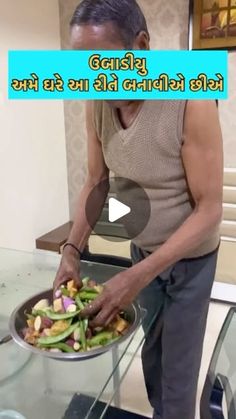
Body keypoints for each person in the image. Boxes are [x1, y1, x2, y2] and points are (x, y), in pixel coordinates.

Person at [53, 1, 223, 418]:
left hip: (191, 260)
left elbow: (209, 210)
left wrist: (137, 276)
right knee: (152, 357)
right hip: (142, 251)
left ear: (141, 47)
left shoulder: (190, 95)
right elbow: (97, 182)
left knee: (179, 377)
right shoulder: (98, 103)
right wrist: (72, 249)